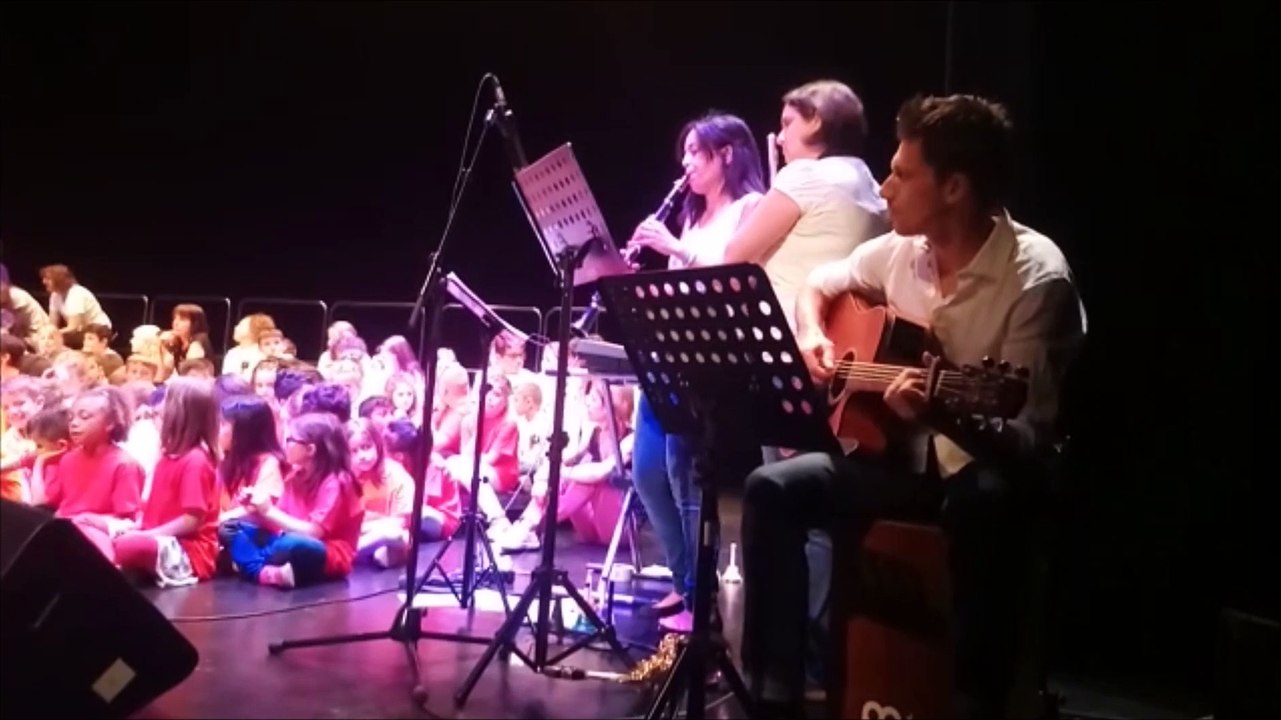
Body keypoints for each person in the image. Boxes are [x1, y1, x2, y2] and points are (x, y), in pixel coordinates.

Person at [740, 94, 1087, 717]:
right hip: (898, 461)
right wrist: (815, 333)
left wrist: (941, 415)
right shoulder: (901, 251)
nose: (884, 187)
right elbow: (821, 283)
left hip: (986, 470)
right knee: (772, 488)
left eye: (901, 173)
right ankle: (775, 696)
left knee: (985, 502)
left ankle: (973, 701)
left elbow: (1027, 440)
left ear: (954, 187)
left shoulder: (1037, 280)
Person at [625, 111, 766, 631]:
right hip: (667, 356)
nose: (684, 164)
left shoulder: (752, 208)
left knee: (684, 477)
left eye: (694, 153)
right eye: (683, 153)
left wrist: (674, 248)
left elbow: (732, 279)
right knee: (646, 471)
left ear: (725, 154)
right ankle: (683, 578)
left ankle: (697, 600)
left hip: (709, 364)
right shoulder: (691, 218)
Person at [719, 80, 890, 330]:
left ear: (815, 121)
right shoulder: (874, 187)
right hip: (840, 338)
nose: (780, 138)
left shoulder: (804, 174)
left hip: (781, 334)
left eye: (788, 124)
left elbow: (734, 258)